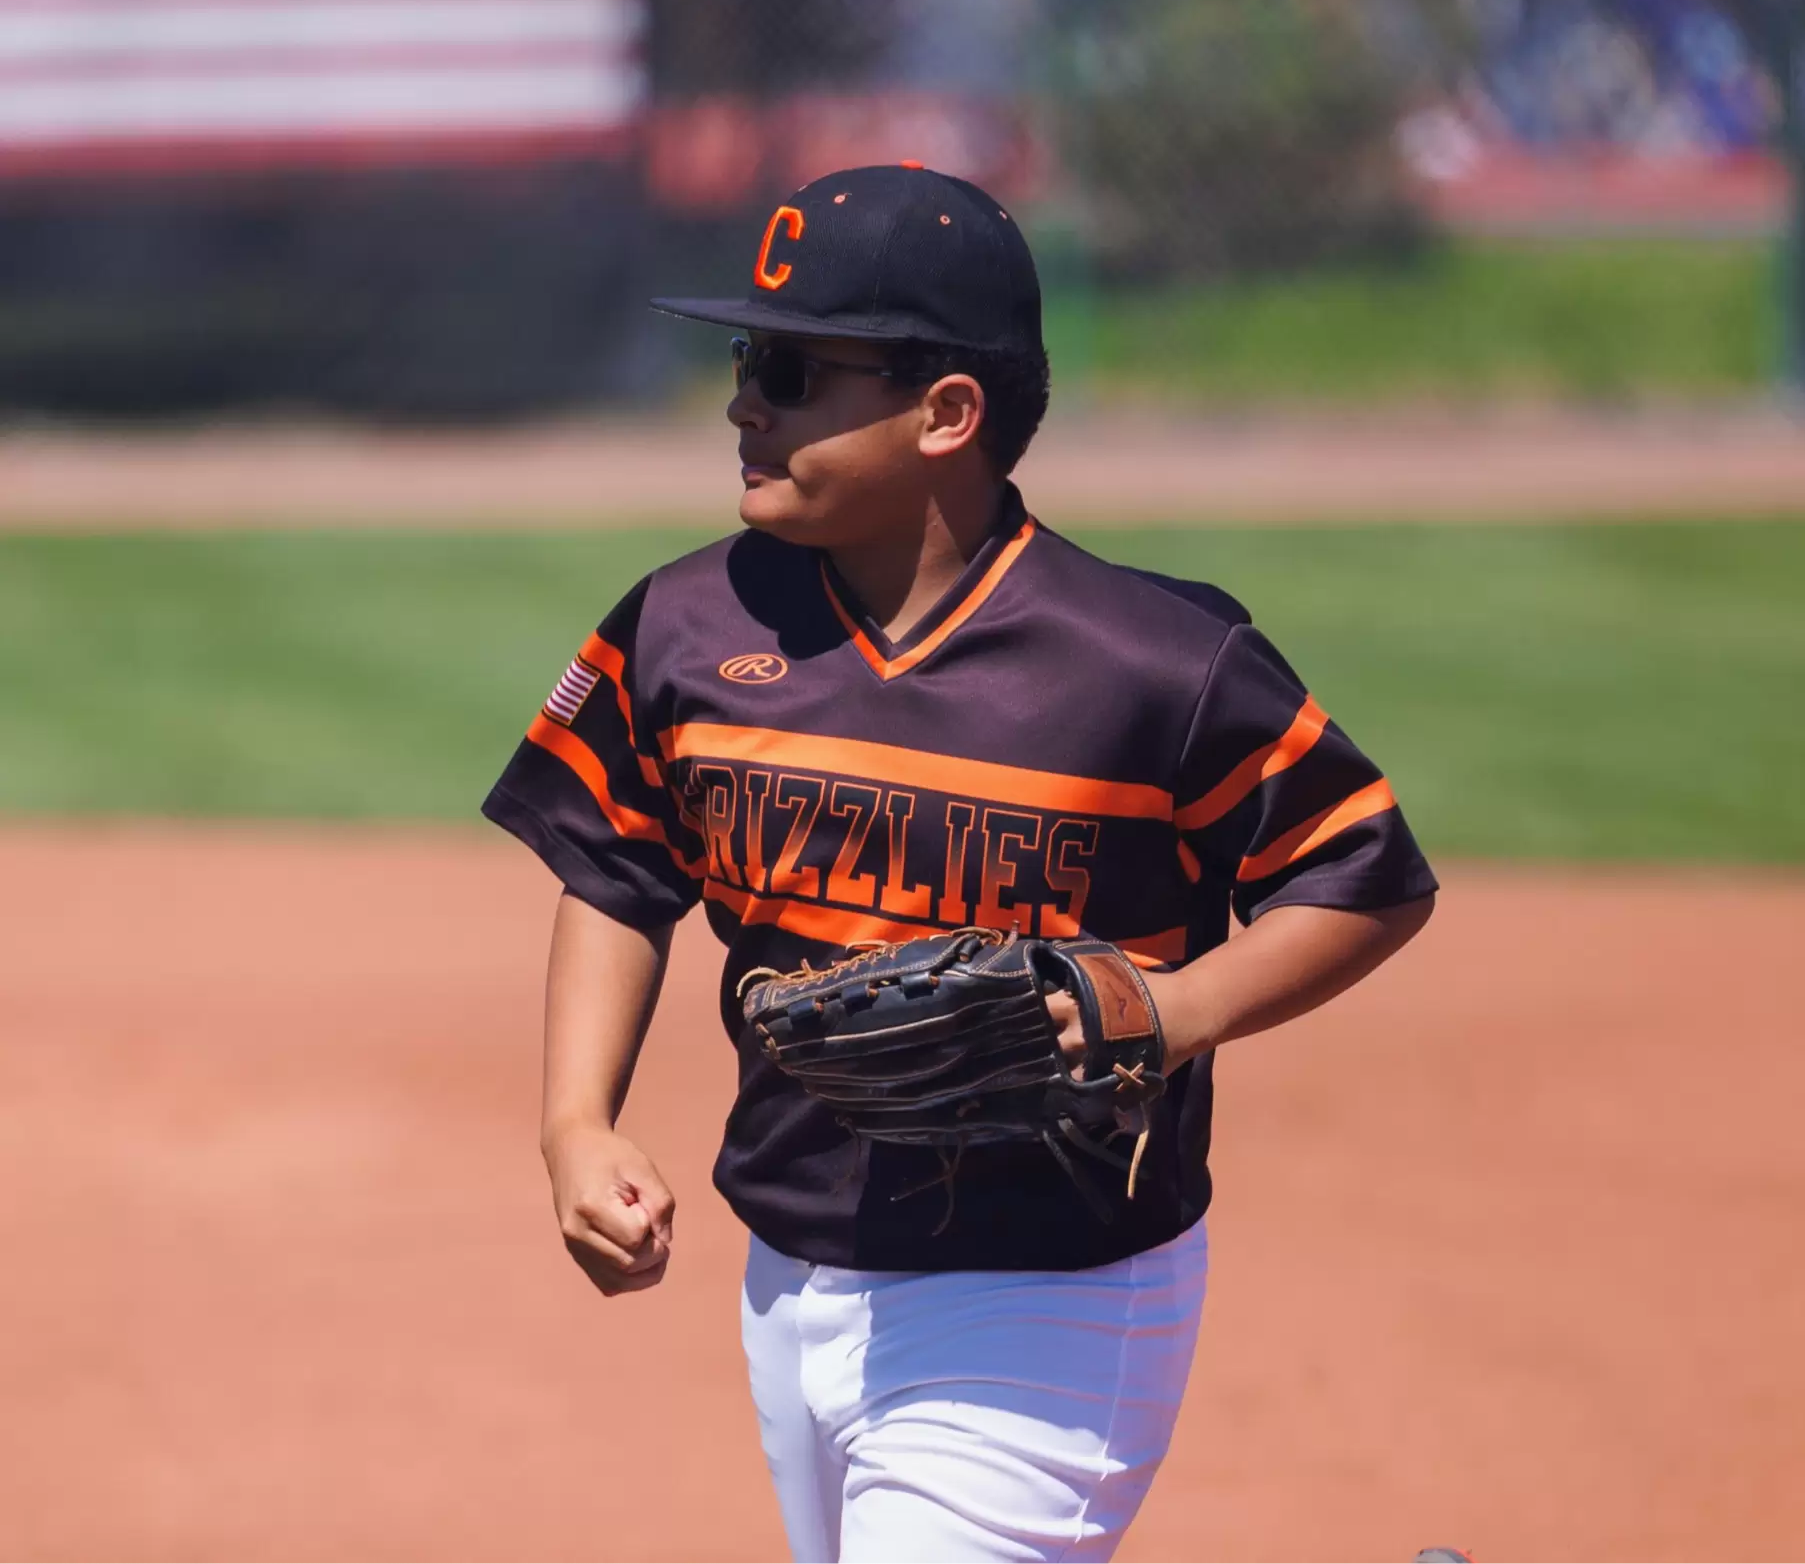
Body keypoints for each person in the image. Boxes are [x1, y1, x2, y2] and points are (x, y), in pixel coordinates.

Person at [482, 162, 1438, 1562]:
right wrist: (576, 1120)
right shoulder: (686, 625)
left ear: (946, 412)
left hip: (1052, 1286)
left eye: (793, 370)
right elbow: (618, 869)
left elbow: (1363, 871)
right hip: (788, 1263)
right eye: (746, 359)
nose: (745, 402)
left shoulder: (1153, 663)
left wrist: (1178, 1008)